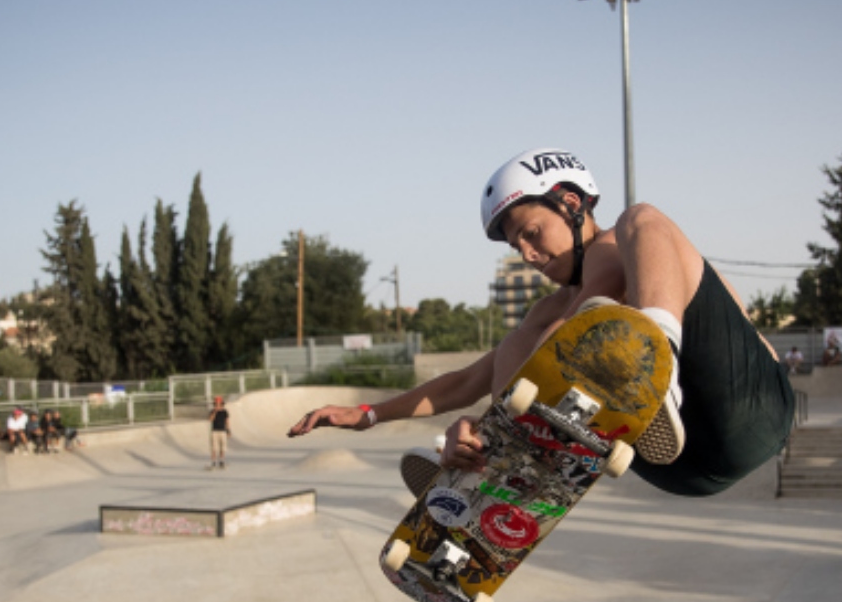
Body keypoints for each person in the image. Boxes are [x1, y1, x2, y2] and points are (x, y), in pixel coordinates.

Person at [288, 147, 795, 501]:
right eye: (517, 248)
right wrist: (370, 414)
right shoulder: (552, 313)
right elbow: (467, 380)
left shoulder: (624, 246)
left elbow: (595, 299)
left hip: (750, 408)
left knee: (640, 217)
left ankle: (651, 367)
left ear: (571, 203)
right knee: (520, 342)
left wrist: (508, 406)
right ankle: (491, 471)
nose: (529, 254)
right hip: (681, 466)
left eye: (533, 233)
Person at [208, 395, 232, 470]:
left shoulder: (225, 412)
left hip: (223, 431)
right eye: (216, 404)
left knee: (223, 448)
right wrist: (215, 412)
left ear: (221, 403)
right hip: (214, 431)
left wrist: (228, 430)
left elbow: (227, 421)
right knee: (214, 448)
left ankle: (221, 461)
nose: (217, 405)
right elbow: (210, 420)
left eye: (219, 404)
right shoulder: (212, 411)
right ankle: (213, 462)